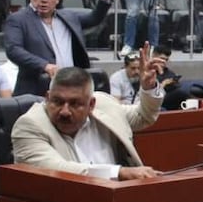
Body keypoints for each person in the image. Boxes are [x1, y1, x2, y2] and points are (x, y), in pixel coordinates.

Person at [11, 54, 165, 180]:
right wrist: (119, 173)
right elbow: (55, 169)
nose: (65, 111)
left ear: (91, 105)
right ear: (47, 98)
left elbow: (142, 116)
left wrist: (148, 87)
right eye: (57, 102)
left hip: (120, 199)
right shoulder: (29, 125)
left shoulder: (105, 105)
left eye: (74, 104)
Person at [5, 0, 114, 97]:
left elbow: (94, 18)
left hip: (71, 86)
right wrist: (44, 65)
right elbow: (13, 50)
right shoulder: (18, 19)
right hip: (36, 90)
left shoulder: (68, 16)